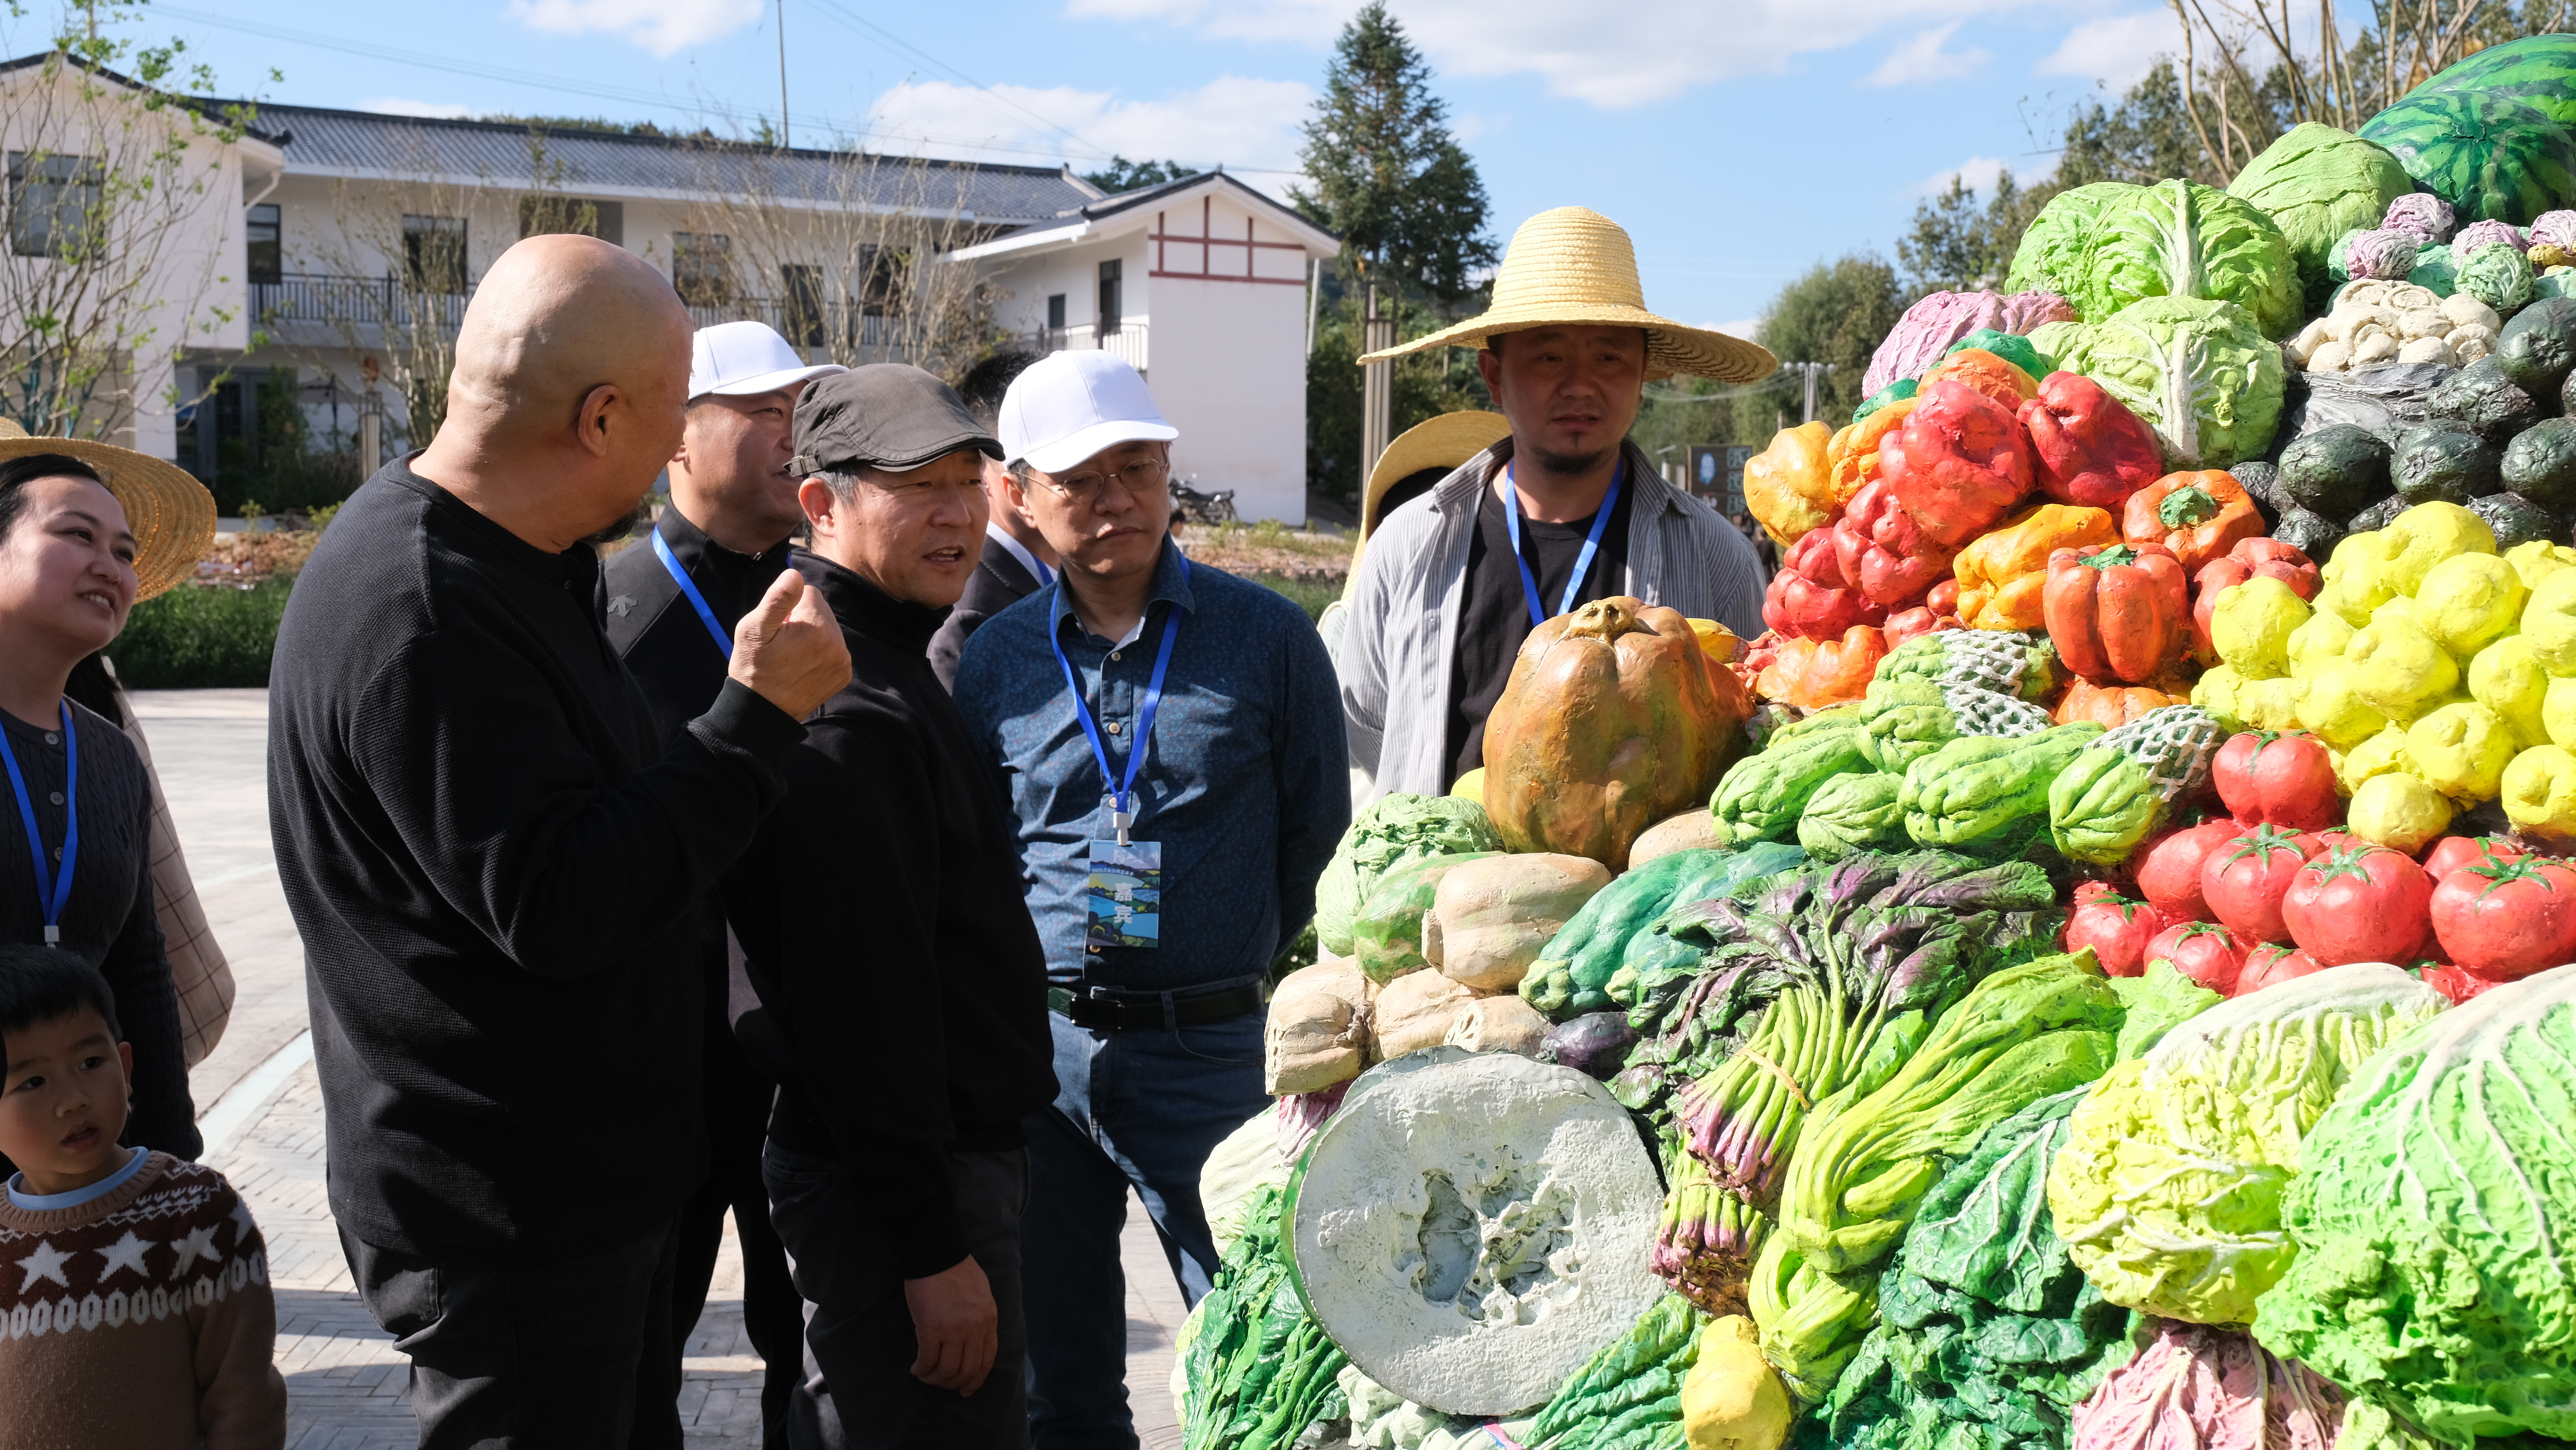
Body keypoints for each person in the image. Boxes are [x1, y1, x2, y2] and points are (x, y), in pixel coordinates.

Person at [267, 234, 852, 1449]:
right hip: (507, 1217)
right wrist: (753, 724)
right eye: (669, 415)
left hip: (582, 1192)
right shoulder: (423, 602)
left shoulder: (522, 563)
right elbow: (560, 900)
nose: (672, 449)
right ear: (601, 419)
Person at [952, 352, 1349, 1450]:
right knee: (1060, 1381)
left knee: (1268, 1353)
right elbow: (978, 857)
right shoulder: (996, 661)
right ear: (1021, 496)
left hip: (1215, 1053)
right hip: (1044, 1063)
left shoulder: (1266, 638)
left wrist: (1236, 967)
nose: (1116, 498)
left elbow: (1315, 841)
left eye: (1139, 467)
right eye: (1081, 479)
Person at [719, 364, 1056, 1448]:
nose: (959, 514)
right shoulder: (844, 701)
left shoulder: (883, 660)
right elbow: (861, 1005)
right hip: (904, 1194)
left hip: (926, 1174)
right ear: (821, 503)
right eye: (919, 485)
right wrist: (929, 1249)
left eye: (970, 479)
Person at [599, 319, 841, 1448]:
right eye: (761, 413)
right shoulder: (610, 617)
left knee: (822, 1349)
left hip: (809, 1050)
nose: (792, 434)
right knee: (642, 1348)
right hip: (667, 1062)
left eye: (801, 410)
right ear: (673, 443)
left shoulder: (824, 599)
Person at [1338, 206, 1776, 800]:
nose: (1580, 384)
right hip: (1439, 890)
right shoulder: (1410, 542)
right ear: (1494, 374)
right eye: (1549, 357)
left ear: (1643, 373)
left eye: (1609, 357)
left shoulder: (1713, 554)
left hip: (1639, 892)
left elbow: (1754, 738)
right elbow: (1364, 735)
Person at [0, 429, 216, 1167]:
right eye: (77, 535)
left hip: (76, 1194)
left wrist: (170, 1176)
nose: (111, 565)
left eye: (124, 552)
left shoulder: (108, 754)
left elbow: (143, 982)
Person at [0, 945, 286, 1449]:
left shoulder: (196, 1213)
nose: (74, 1098)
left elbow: (243, 1398)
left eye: (90, 1061)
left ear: (126, 1064)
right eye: (33, 1081)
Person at [928, 350, 1058, 689]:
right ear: (983, 470)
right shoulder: (970, 617)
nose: (1065, 473)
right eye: (1036, 456)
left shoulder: (1093, 579)